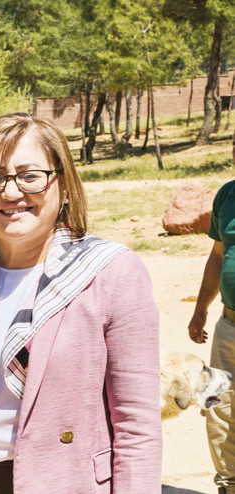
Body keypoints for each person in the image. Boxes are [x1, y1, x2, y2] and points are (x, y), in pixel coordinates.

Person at [0, 113, 162, 493]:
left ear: (64, 185)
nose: (10, 192)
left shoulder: (112, 273)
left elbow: (137, 424)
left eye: (30, 175)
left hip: (58, 481)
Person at [187, 131, 235, 494]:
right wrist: (201, 309)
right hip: (229, 325)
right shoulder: (227, 195)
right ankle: (228, 484)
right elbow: (218, 255)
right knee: (217, 405)